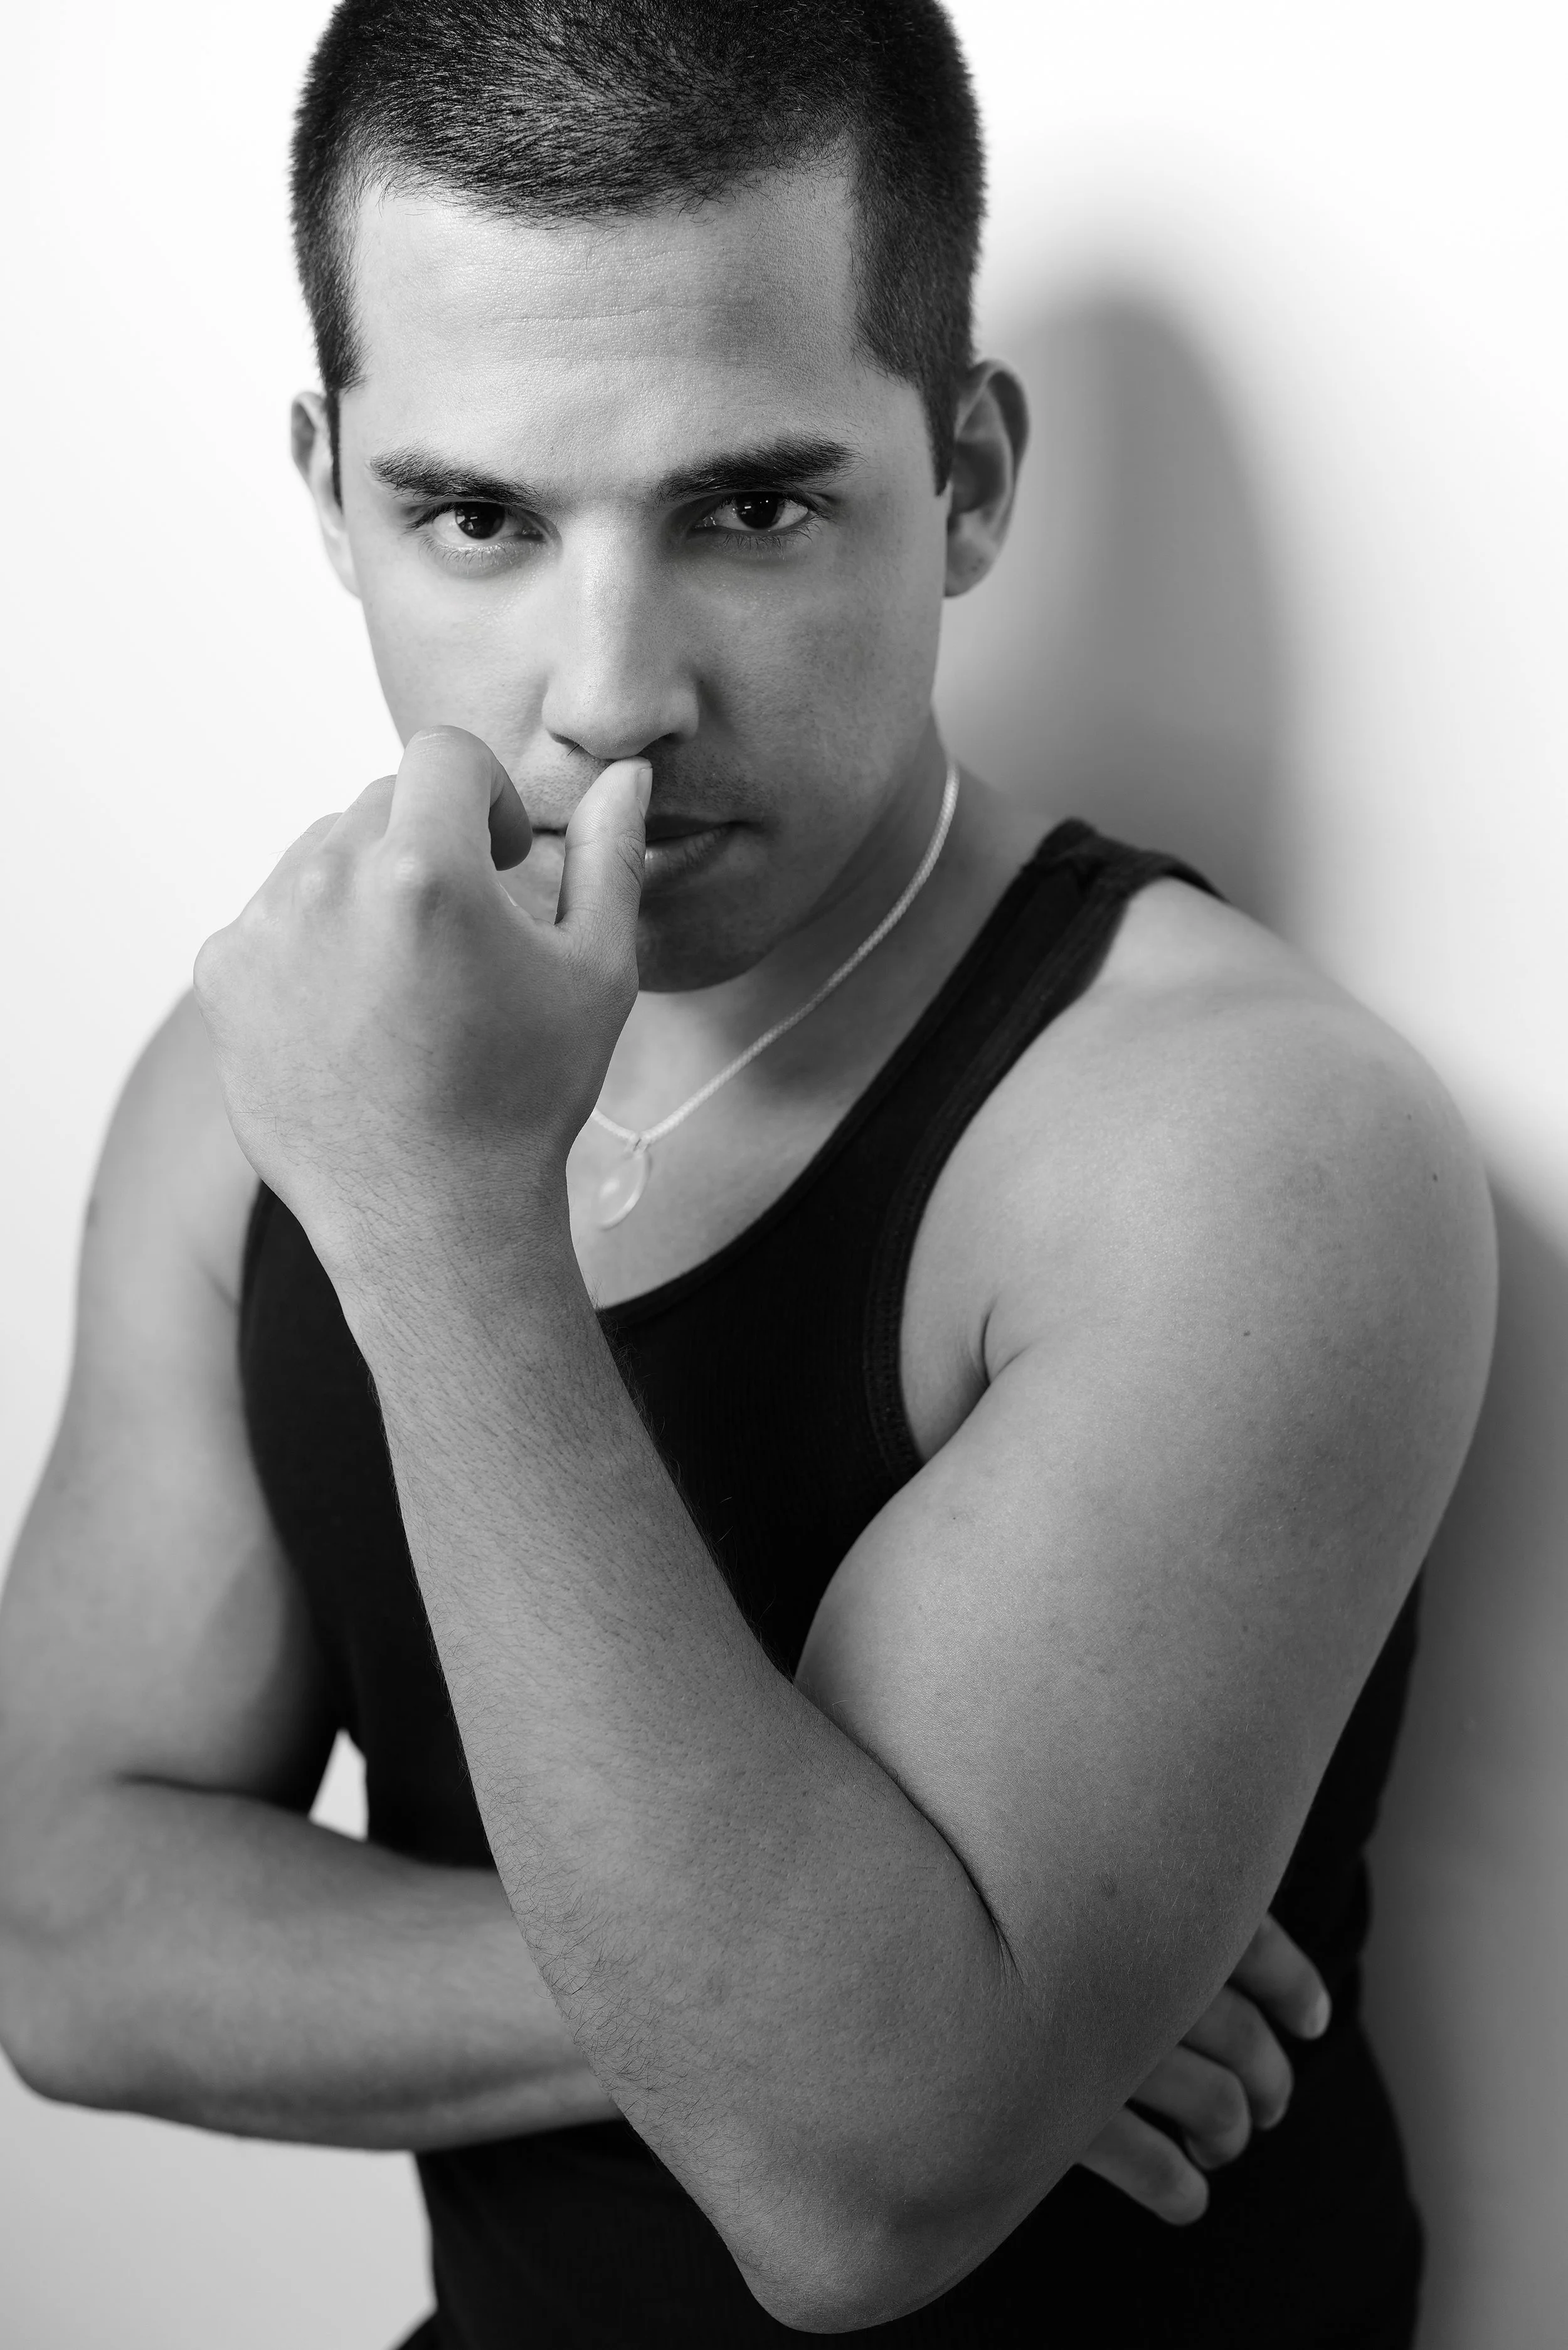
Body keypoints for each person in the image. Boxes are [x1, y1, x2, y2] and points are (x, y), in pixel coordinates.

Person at [0, 3, 1495, 2344]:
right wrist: (819, 2003)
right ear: (327, 493)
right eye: (476, 515)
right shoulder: (265, 1064)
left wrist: (433, 1219)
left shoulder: (1239, 1145)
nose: (611, 690)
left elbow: (852, 2198)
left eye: (751, 506)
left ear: (970, 479)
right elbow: (60, 1938)